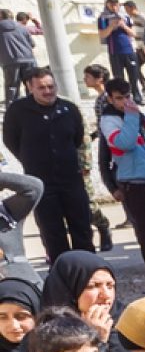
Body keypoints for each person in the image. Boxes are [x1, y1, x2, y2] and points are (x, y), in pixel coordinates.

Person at [3, 68, 91, 258]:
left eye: (51, 86)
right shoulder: (18, 111)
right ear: (30, 87)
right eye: (42, 88)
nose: (48, 91)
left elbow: (77, 138)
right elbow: (11, 140)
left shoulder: (69, 109)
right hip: (40, 181)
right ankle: (61, 269)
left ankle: (87, 267)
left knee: (81, 225)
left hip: (70, 178)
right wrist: (31, 158)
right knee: (52, 230)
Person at [99, 80, 145, 275]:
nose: (125, 102)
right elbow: (124, 144)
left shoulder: (142, 117)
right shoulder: (110, 121)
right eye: (119, 98)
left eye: (127, 96)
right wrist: (111, 185)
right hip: (134, 183)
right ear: (109, 99)